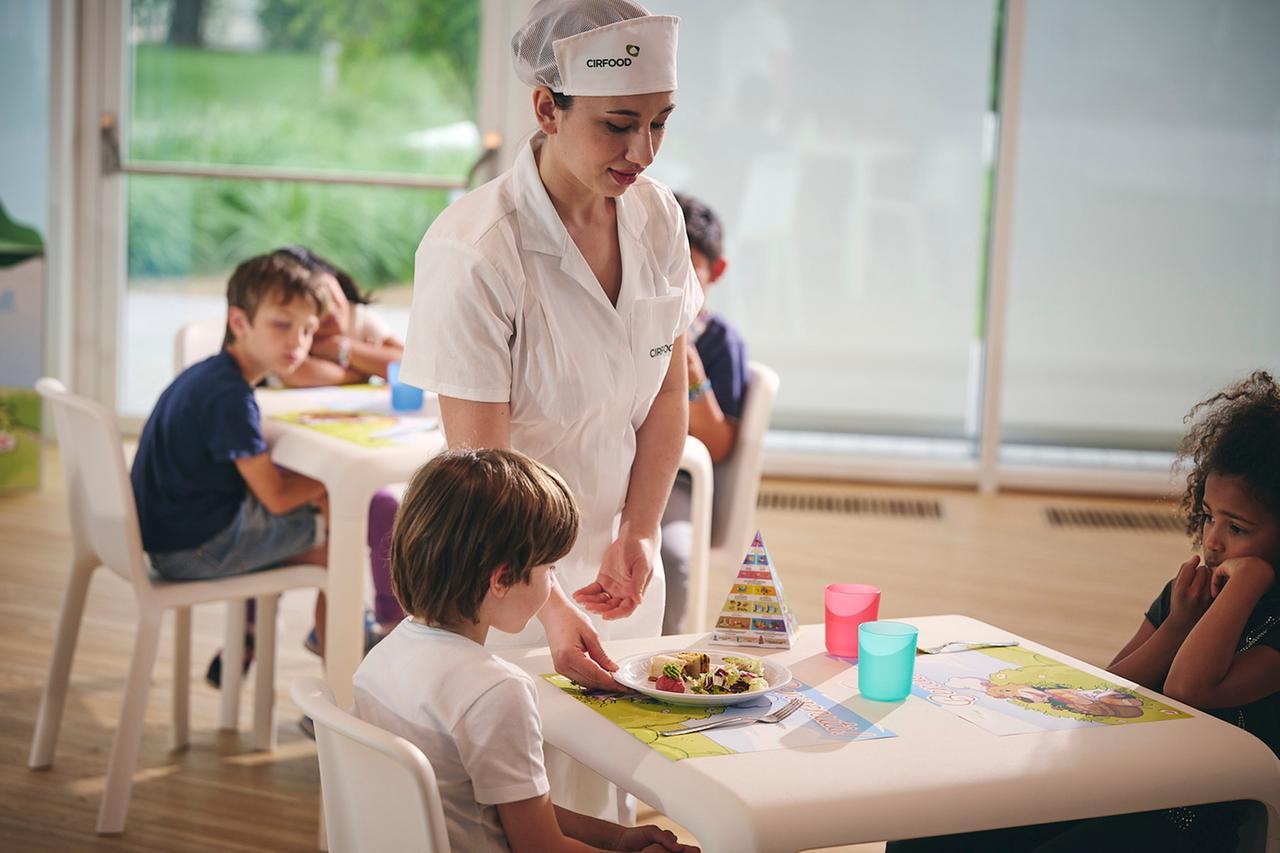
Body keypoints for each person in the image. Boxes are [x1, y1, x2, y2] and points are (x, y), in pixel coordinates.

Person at [400, 1, 701, 685]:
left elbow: (668, 390)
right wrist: (551, 601)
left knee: (611, 785)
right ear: (546, 108)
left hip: (618, 570)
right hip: (508, 583)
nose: (644, 151)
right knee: (525, 783)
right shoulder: (475, 251)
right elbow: (485, 474)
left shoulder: (657, 220)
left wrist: (642, 529)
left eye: (659, 121)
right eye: (618, 125)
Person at [888, 371, 1280, 852]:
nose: (1213, 541)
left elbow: (1190, 688)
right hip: (1119, 783)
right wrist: (1176, 623)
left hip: (1193, 817)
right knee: (930, 837)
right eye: (1208, 516)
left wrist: (1253, 582)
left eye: (1237, 527)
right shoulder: (1191, 595)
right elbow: (1106, 691)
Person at [353, 448, 698, 853]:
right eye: (549, 571)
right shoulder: (496, 691)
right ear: (502, 579)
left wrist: (618, 837)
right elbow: (540, 847)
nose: (552, 583)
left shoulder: (382, 656)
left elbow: (513, 806)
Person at [131, 252, 331, 654]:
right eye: (282, 324)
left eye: (308, 330)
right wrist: (331, 482)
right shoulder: (230, 398)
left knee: (319, 510)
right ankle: (342, 682)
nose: (298, 342)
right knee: (338, 535)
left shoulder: (210, 375)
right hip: (192, 551)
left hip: (168, 537)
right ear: (239, 322)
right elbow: (274, 498)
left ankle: (252, 637)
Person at [660, 193, 749, 634]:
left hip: (676, 481)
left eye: (688, 272)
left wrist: (692, 378)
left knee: (674, 559)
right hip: (605, 470)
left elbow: (718, 446)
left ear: (717, 272)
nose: (674, 286)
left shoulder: (720, 344)